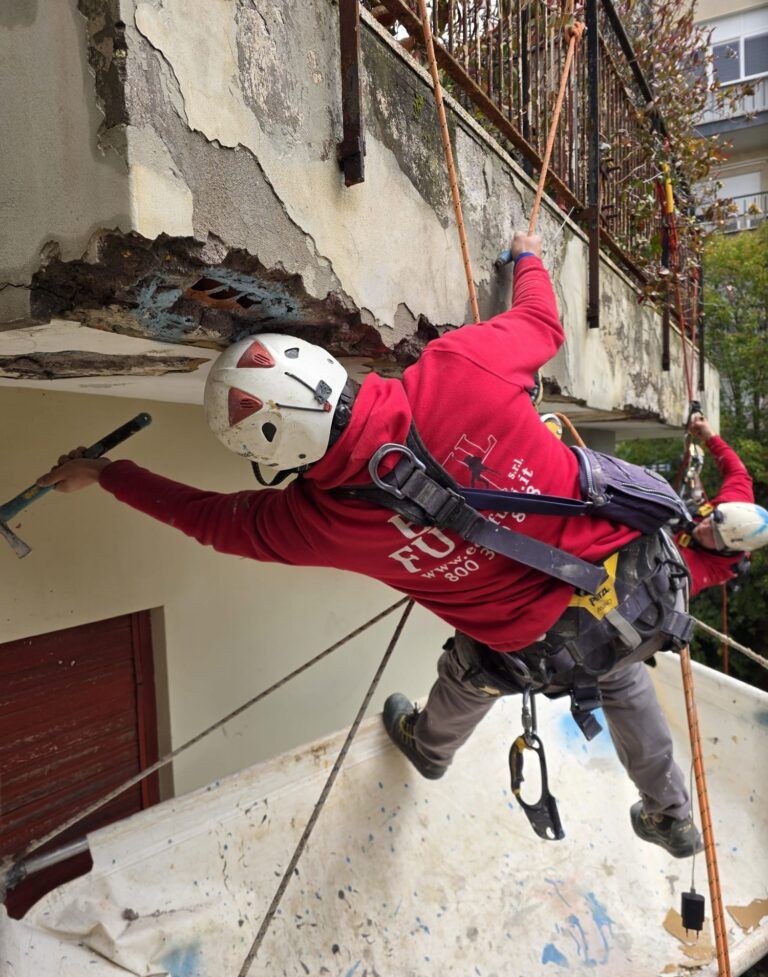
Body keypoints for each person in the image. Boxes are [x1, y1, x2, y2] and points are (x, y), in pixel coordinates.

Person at [40, 234, 764, 859]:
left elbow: (209, 518)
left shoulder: (311, 521)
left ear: (275, 460)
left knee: (475, 670)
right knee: (621, 666)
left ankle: (430, 747)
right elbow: (542, 322)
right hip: (640, 581)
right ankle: (669, 810)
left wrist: (106, 473)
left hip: (547, 640)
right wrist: (528, 255)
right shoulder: (457, 369)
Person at [675, 412, 766, 593]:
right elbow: (737, 471)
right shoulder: (735, 507)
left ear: (726, 550)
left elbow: (666, 579)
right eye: (713, 520)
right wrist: (710, 436)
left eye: (715, 537)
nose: (704, 528)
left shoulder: (707, 570)